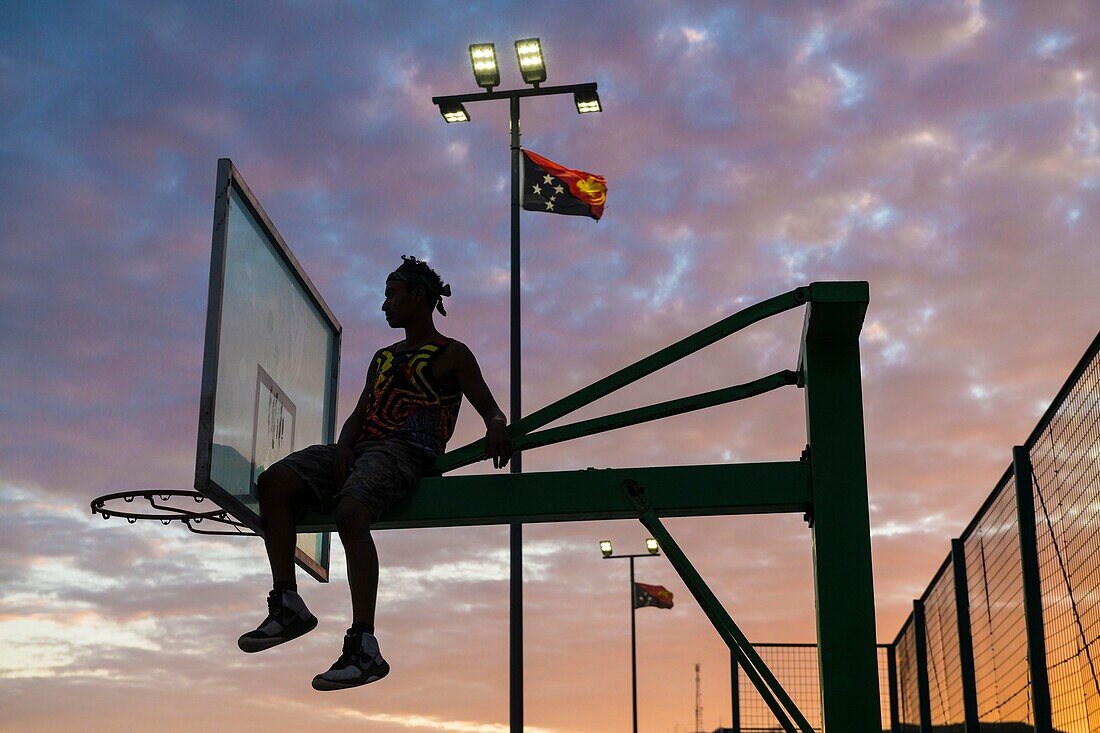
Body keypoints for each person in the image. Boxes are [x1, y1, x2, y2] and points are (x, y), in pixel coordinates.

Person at [238, 255, 512, 691]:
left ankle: (363, 643)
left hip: (405, 453)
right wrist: (345, 445)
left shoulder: (451, 354)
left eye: (392, 294)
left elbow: (490, 407)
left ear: (418, 297)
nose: (384, 304)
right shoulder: (384, 357)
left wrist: (497, 427)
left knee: (350, 513)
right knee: (275, 481)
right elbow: (360, 412)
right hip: (362, 449)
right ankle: (288, 603)